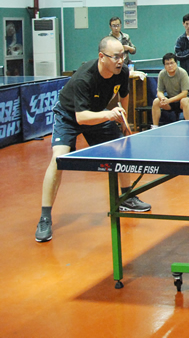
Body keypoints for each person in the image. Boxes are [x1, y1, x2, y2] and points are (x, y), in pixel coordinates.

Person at [35, 37, 150, 243]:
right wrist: (109, 114)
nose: (120, 61)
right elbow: (81, 117)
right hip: (69, 115)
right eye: (115, 56)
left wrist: (125, 123)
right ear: (101, 56)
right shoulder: (84, 78)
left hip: (97, 113)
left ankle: (126, 197)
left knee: (121, 149)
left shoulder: (122, 72)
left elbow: (124, 95)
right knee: (58, 159)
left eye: (122, 55)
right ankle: (44, 217)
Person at [152, 52, 189, 126]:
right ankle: (155, 126)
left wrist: (169, 100)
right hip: (170, 100)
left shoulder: (182, 73)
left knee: (184, 101)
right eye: (167, 64)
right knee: (156, 101)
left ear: (176, 63)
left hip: (184, 99)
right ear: (164, 65)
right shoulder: (162, 74)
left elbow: (184, 93)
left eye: (172, 63)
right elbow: (159, 91)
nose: (170, 66)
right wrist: (162, 98)